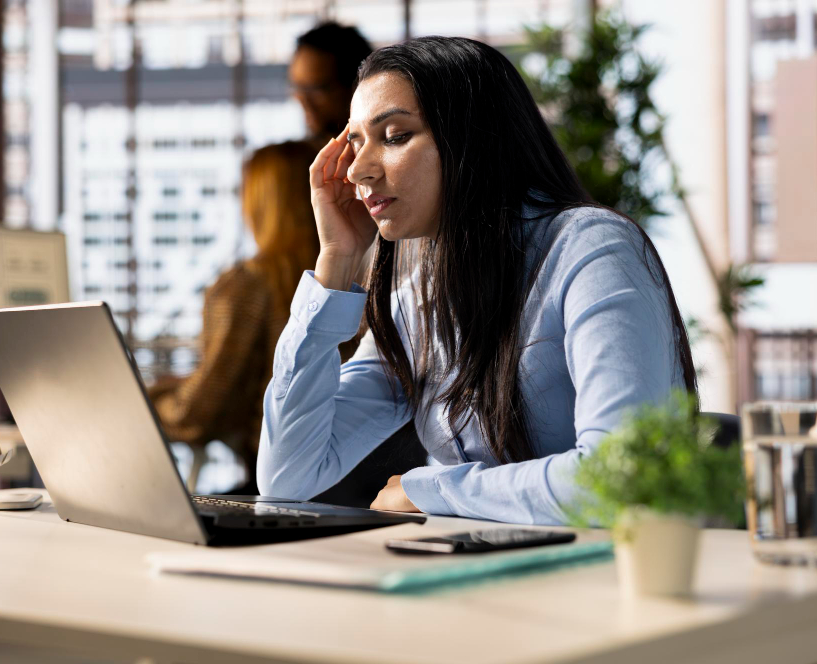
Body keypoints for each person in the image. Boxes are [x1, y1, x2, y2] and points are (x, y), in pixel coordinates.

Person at [256, 37, 698, 525]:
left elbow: (621, 480)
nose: (358, 170)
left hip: (597, 582)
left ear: (472, 139)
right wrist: (336, 262)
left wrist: (433, 489)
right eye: (355, 144)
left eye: (395, 136)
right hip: (462, 576)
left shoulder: (592, 250)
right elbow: (288, 477)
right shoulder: (419, 301)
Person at [148, 141, 321, 488]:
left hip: (282, 484)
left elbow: (201, 410)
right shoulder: (361, 278)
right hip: (367, 483)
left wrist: (147, 401)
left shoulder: (249, 285)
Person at [289, 22, 373, 140]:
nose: (303, 100)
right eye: (297, 88)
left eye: (315, 89)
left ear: (356, 87)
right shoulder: (303, 155)